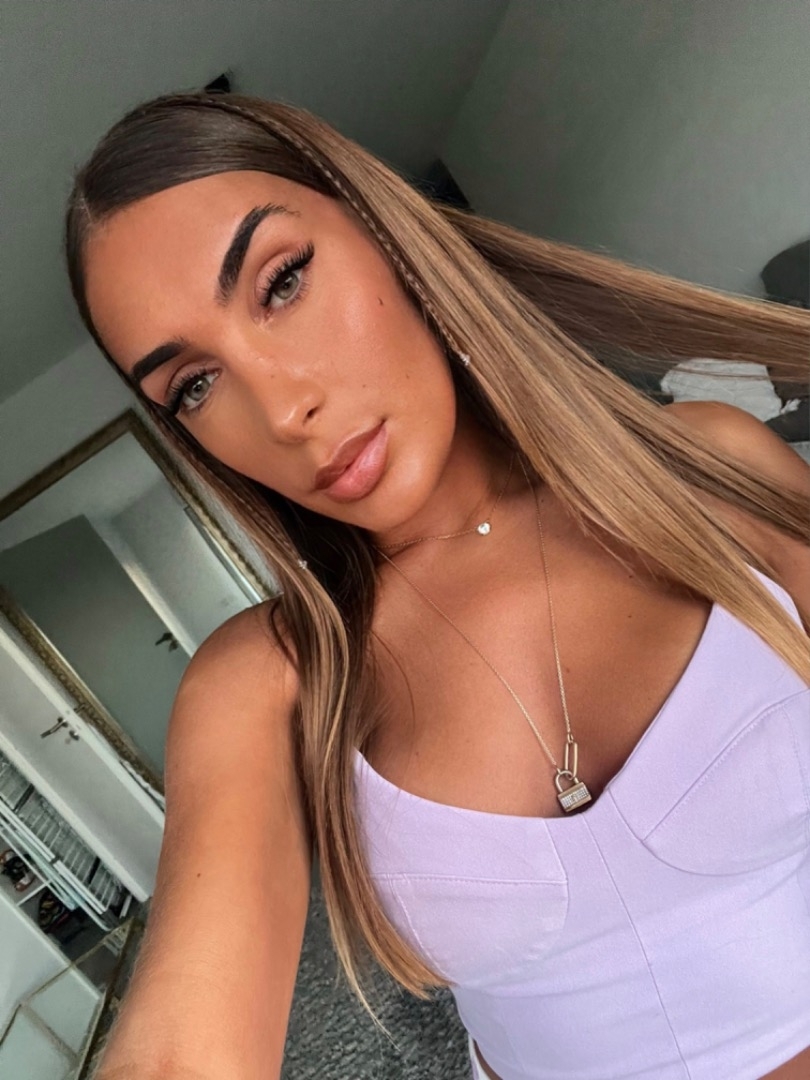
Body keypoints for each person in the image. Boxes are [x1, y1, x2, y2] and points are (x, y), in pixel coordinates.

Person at [64, 92, 810, 1080]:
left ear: (384, 232)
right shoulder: (268, 683)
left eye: (282, 282)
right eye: (193, 385)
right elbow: (176, 1055)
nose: (283, 409)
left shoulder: (712, 469)